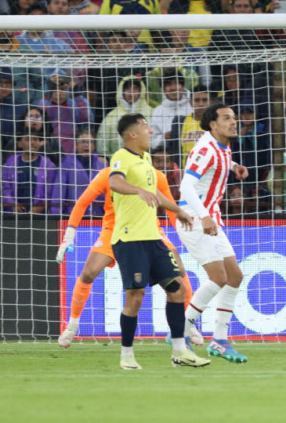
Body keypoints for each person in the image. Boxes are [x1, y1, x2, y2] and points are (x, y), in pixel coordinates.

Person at [55, 164, 203, 348]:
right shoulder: (107, 175)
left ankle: (187, 324)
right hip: (113, 231)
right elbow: (83, 202)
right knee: (88, 273)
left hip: (149, 230)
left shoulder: (157, 176)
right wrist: (69, 234)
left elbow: (170, 208)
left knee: (178, 270)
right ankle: (72, 325)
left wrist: (185, 237)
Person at [106, 113, 207, 369]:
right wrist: (137, 189)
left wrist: (178, 210)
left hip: (153, 238)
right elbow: (115, 182)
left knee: (177, 290)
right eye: (145, 127)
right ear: (132, 134)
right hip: (130, 239)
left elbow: (155, 194)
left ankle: (180, 351)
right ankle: (127, 355)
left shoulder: (146, 159)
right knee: (136, 297)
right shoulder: (121, 157)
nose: (151, 131)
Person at [175, 103, 250, 363]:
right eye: (226, 118)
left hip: (210, 217)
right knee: (219, 277)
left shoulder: (222, 145)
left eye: (234, 118)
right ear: (212, 124)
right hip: (193, 218)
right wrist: (204, 215)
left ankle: (219, 341)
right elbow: (186, 186)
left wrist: (234, 166)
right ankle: (181, 330)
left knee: (235, 277)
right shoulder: (204, 148)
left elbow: (220, 160)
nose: (233, 122)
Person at [1, 129, 59, 214]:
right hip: (13, 216)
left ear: (40, 143)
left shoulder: (49, 166)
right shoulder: (9, 165)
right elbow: (5, 190)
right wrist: (13, 204)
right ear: (20, 144)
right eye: (28, 139)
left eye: (35, 139)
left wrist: (39, 207)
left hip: (40, 217)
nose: (32, 142)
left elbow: (50, 192)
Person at [58, 128, 107, 215]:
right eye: (82, 141)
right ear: (76, 145)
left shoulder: (102, 165)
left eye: (89, 142)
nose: (86, 145)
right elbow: (58, 194)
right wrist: (56, 219)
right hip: (73, 218)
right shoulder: (66, 164)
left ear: (94, 146)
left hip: (99, 218)